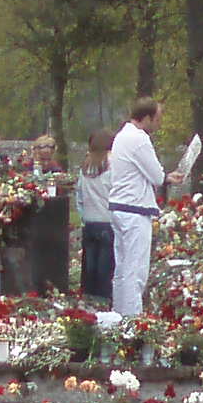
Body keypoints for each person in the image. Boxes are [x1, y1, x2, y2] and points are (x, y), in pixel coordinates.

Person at [105, 96, 196, 322]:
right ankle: (132, 321)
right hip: (134, 209)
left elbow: (153, 175)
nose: (159, 123)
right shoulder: (139, 139)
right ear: (145, 118)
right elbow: (155, 175)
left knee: (123, 267)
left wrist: (166, 177)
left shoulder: (122, 136)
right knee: (135, 270)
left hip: (121, 207)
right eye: (157, 119)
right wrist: (165, 177)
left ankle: (120, 315)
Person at [76, 127, 116, 304]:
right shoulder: (113, 162)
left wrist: (83, 217)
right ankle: (104, 301)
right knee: (105, 268)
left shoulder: (86, 165)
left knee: (89, 266)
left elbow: (79, 196)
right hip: (108, 221)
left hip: (90, 222)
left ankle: (87, 299)